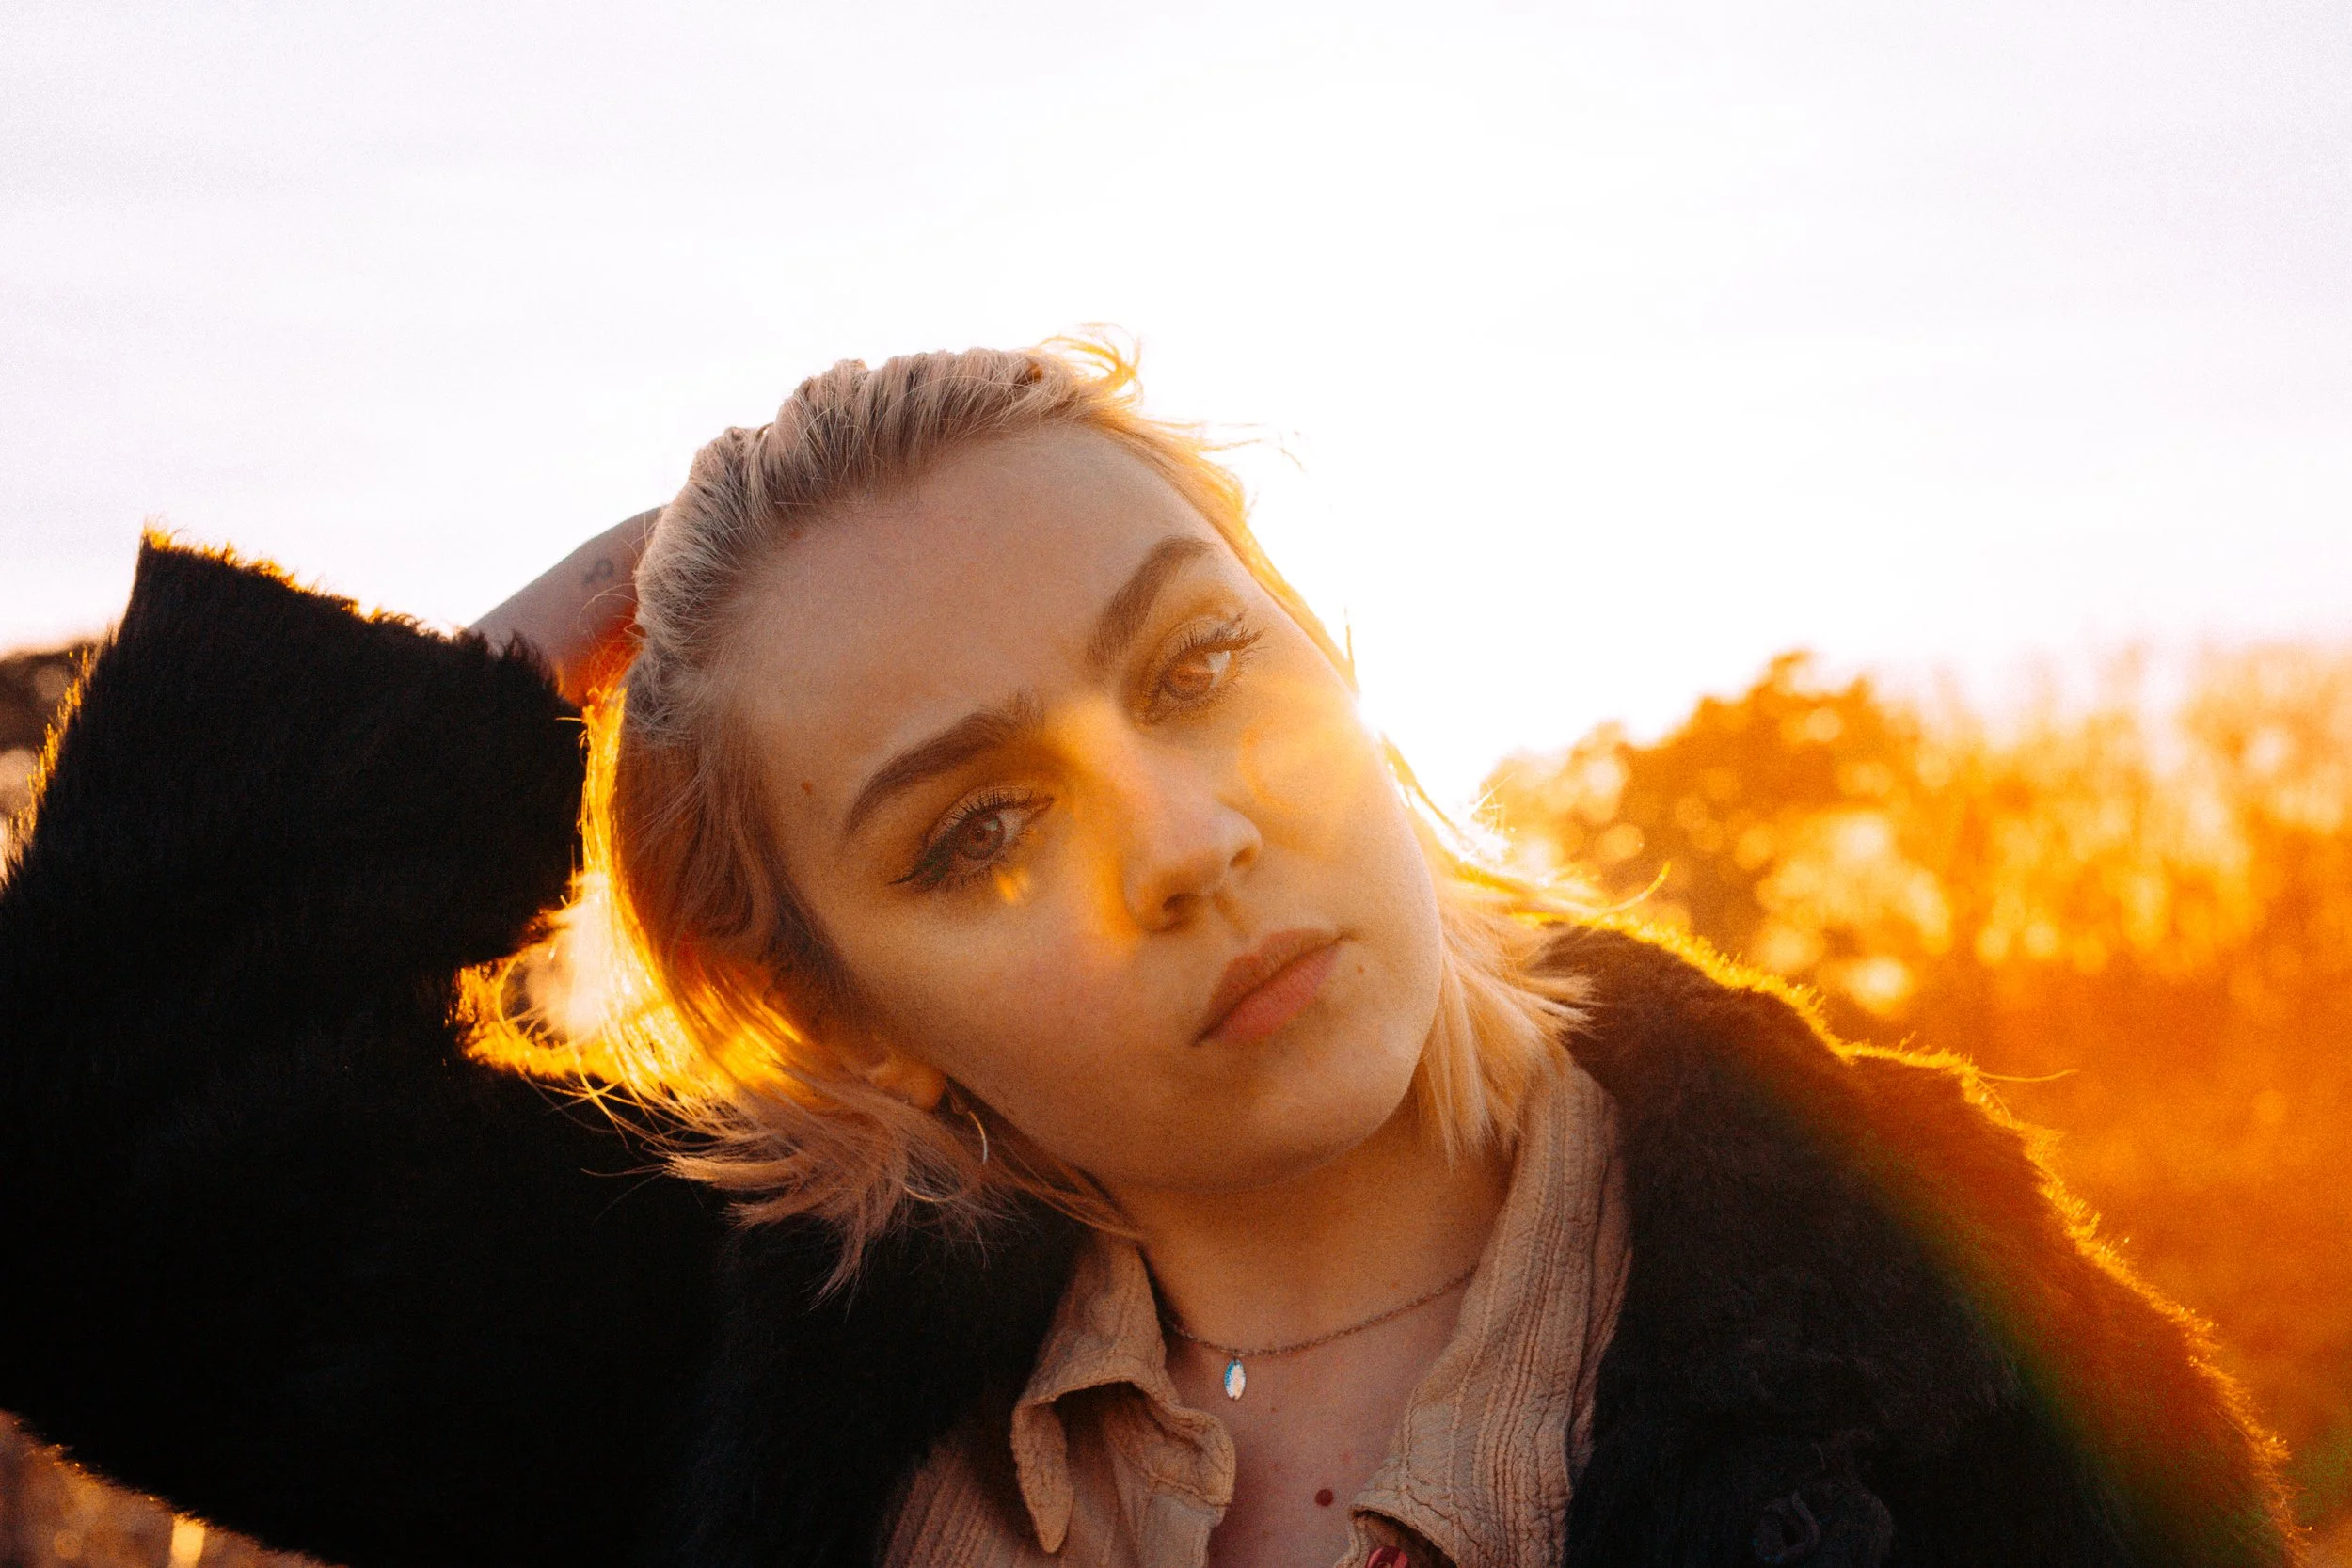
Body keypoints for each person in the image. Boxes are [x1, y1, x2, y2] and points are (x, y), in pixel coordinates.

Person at [0, 341, 2299, 1568]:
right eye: (977, 825)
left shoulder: (1932, 1323)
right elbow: (86, 1188)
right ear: (839, 1008)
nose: (1186, 840)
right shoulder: (725, 1363)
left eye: (1197, 667)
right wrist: (502, 675)